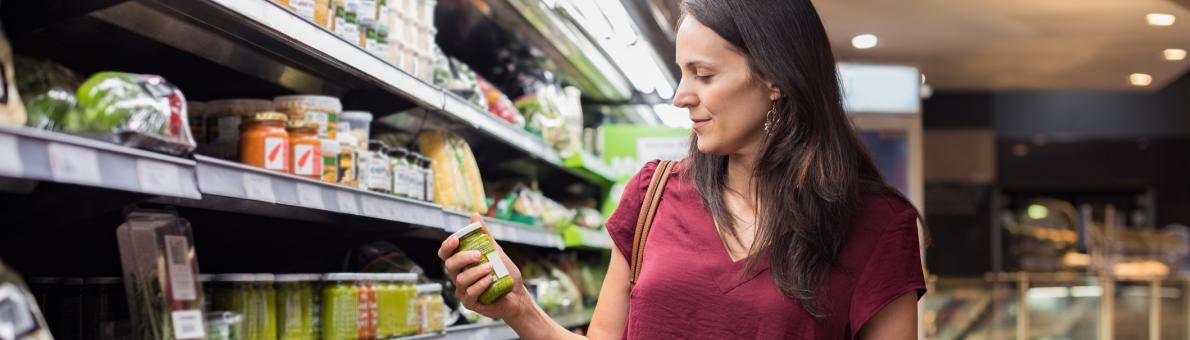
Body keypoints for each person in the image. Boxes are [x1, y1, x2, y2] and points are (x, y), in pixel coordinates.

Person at [437, 0, 926, 338]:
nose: (680, 96)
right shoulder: (653, 195)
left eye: (704, 74)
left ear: (776, 77)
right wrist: (520, 309)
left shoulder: (878, 226)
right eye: (681, 72)